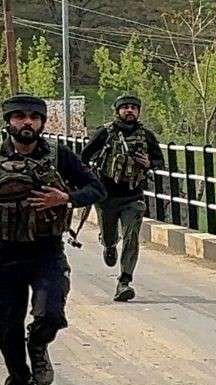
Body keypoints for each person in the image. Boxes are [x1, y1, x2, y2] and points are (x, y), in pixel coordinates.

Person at [0, 94, 105, 385]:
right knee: (6, 329)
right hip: (3, 254)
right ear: (8, 122)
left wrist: (67, 198)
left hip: (47, 252)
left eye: (33, 117)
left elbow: (96, 189)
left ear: (42, 123)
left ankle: (38, 344)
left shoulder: (60, 157)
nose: (27, 122)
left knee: (51, 315)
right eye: (19, 116)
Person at [79, 93, 164, 301]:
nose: (129, 111)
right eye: (125, 107)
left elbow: (159, 160)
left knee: (131, 237)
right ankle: (108, 245)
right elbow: (84, 157)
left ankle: (124, 281)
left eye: (133, 108)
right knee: (110, 237)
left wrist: (148, 163)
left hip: (133, 197)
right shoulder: (105, 133)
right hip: (106, 197)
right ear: (117, 111)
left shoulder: (146, 136)